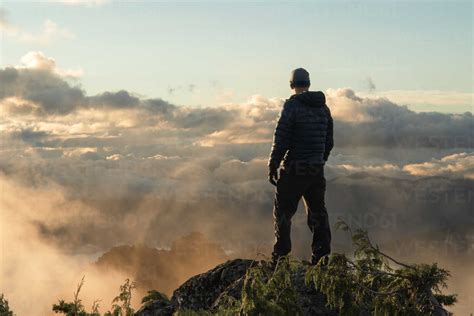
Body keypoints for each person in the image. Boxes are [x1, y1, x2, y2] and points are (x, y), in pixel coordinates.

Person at [268, 68, 334, 265]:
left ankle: (280, 259)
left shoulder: (292, 106)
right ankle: (321, 259)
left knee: (283, 212)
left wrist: (273, 163)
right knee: (317, 213)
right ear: (309, 84)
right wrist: (319, 159)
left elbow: (282, 138)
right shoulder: (324, 108)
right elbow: (329, 141)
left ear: (291, 85)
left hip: (294, 168)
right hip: (316, 170)